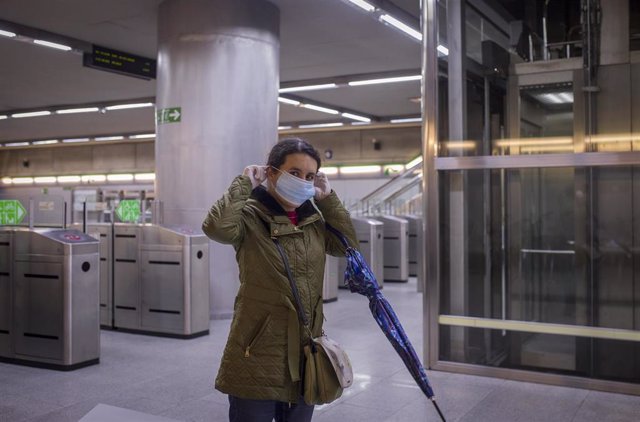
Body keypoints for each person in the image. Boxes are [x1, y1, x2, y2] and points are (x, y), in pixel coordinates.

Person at [202, 137, 357, 422]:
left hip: (306, 353)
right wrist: (244, 183)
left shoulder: (314, 221)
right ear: (272, 172)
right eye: (294, 173)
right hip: (257, 353)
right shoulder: (249, 216)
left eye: (309, 176)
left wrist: (329, 200)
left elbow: (345, 246)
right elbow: (217, 228)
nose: (302, 181)